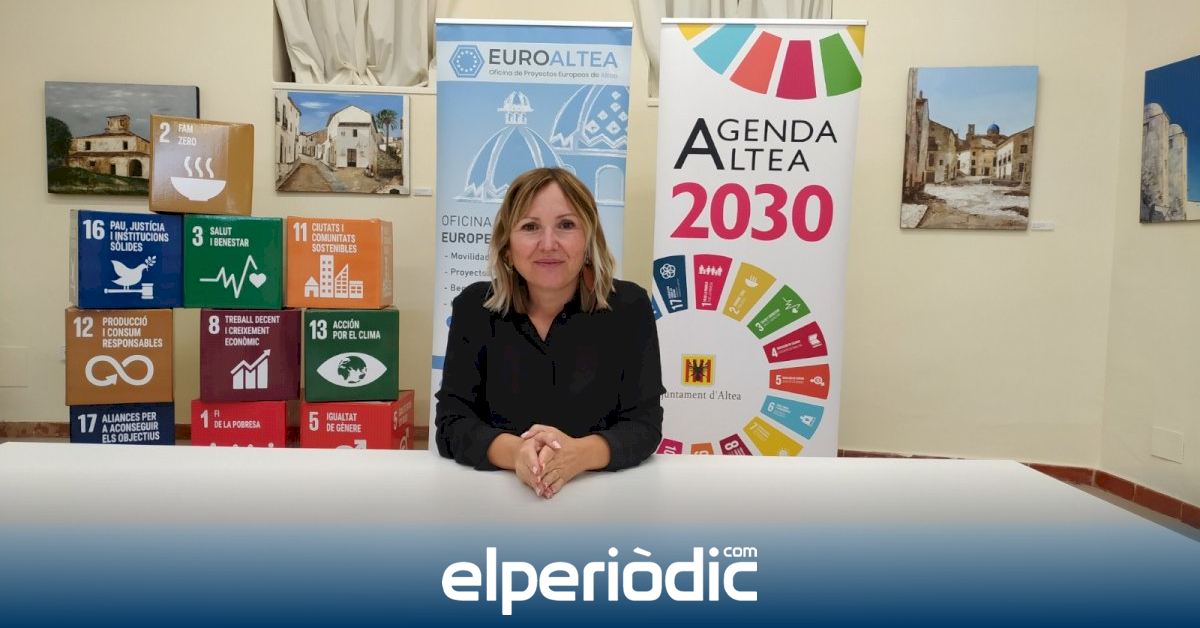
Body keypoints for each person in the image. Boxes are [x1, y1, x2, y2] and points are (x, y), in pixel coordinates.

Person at [435, 167, 664, 498]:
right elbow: (452, 423)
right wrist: (517, 454)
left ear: (589, 239)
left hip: (603, 497)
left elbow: (644, 425)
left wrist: (577, 455)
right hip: (496, 498)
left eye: (566, 225)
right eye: (530, 227)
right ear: (507, 245)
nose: (548, 244)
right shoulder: (474, 308)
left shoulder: (629, 307)